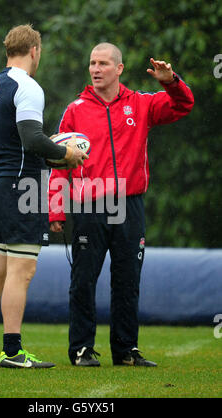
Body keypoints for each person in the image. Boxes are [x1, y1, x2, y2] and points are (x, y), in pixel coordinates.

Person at [49, 42, 194, 367]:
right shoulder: (75, 110)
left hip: (130, 205)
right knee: (84, 280)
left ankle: (126, 350)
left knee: (128, 280)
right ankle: (82, 349)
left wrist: (170, 81)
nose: (95, 69)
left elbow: (184, 105)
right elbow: (58, 162)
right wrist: (56, 209)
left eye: (102, 63)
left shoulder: (141, 104)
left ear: (119, 69)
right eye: (92, 63)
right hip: (90, 206)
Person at [0, 24, 87, 369]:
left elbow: (6, 140)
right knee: (23, 269)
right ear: (35, 50)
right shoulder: (28, 86)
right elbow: (32, 139)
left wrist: (49, 151)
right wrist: (66, 156)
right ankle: (14, 351)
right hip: (21, 187)